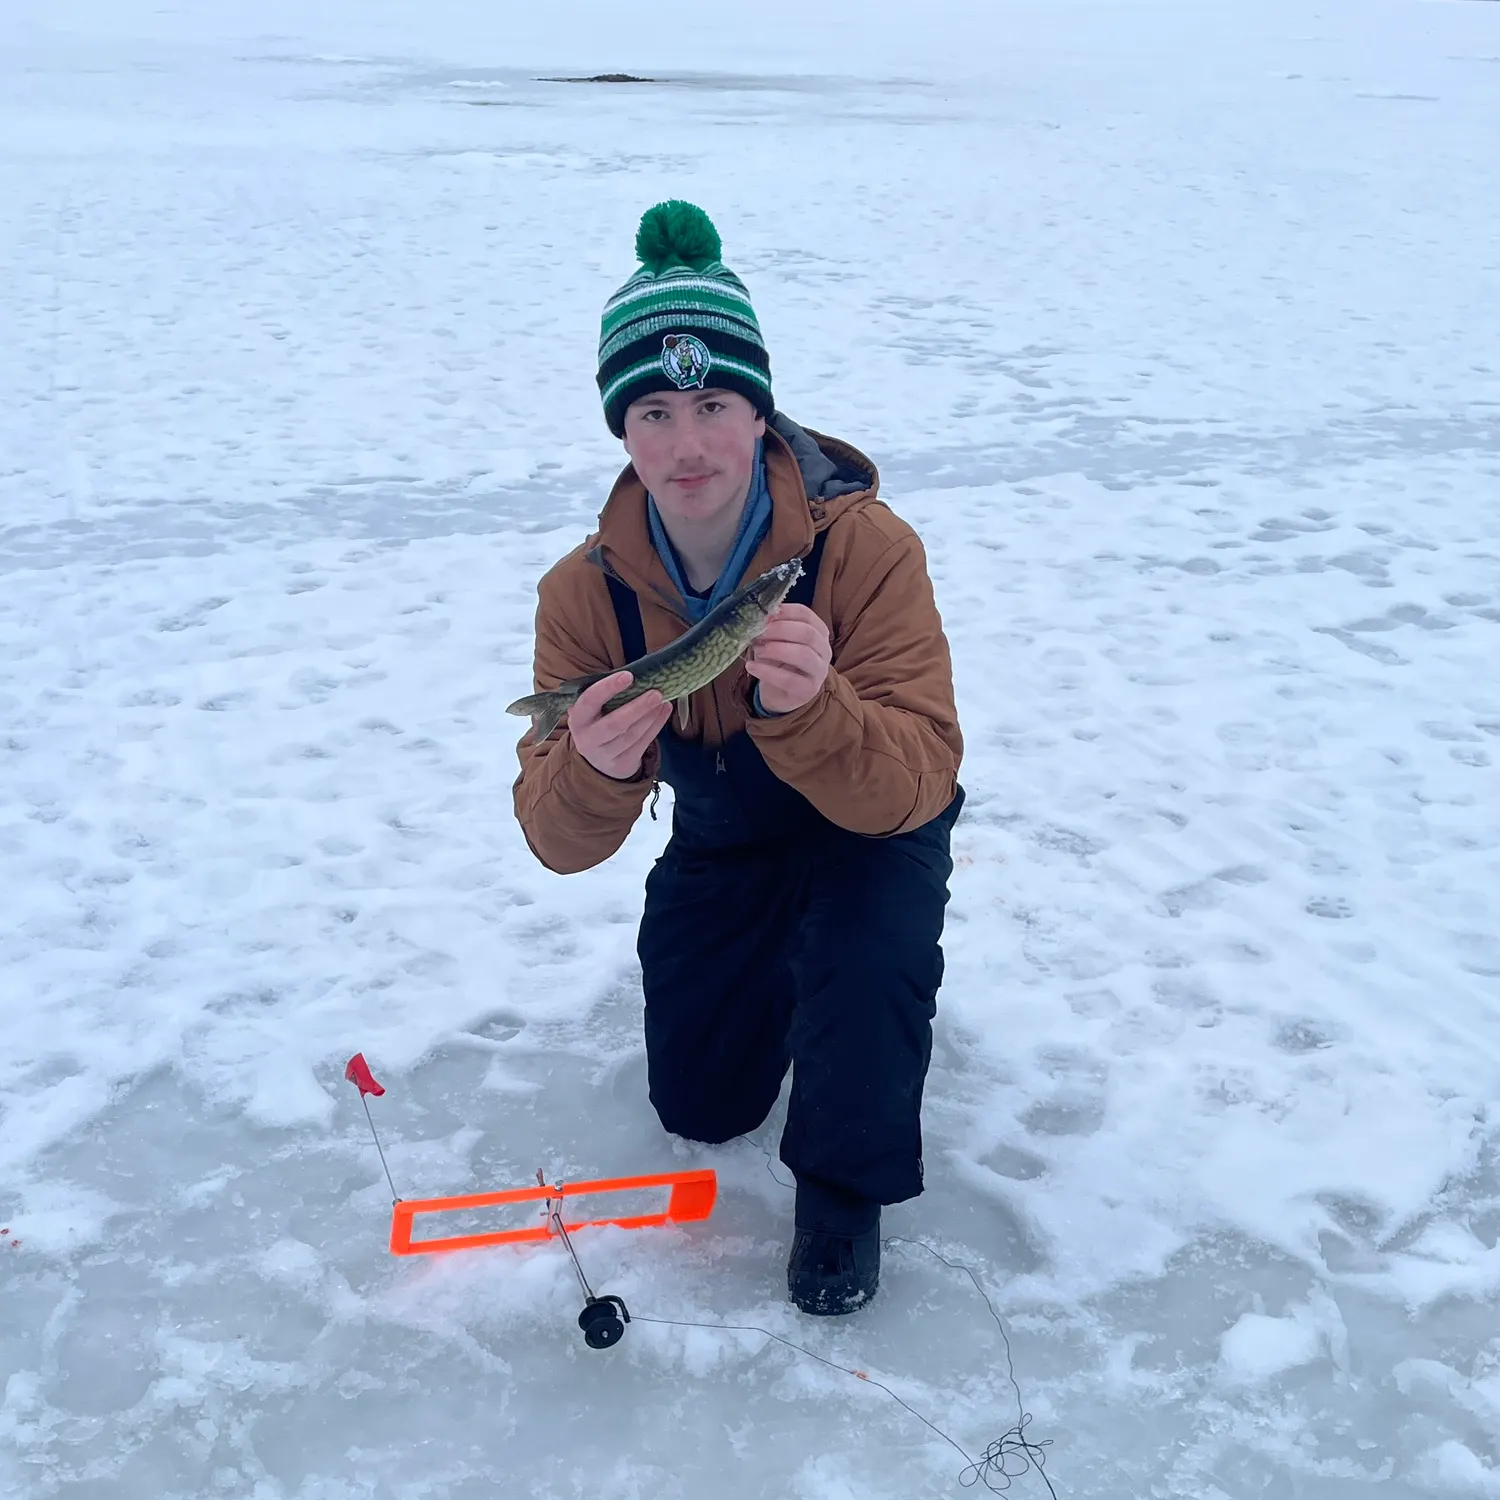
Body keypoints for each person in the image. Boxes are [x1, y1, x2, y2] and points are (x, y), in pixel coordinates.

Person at [511, 200, 965, 1315]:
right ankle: (783, 961)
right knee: (702, 1106)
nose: (688, 444)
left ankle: (843, 1193)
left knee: (866, 959)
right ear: (622, 430)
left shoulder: (866, 550)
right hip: (729, 835)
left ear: (760, 413)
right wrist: (597, 767)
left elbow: (918, 775)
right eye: (655, 411)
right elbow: (554, 839)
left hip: (874, 829)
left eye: (714, 404)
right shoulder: (583, 594)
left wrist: (816, 710)